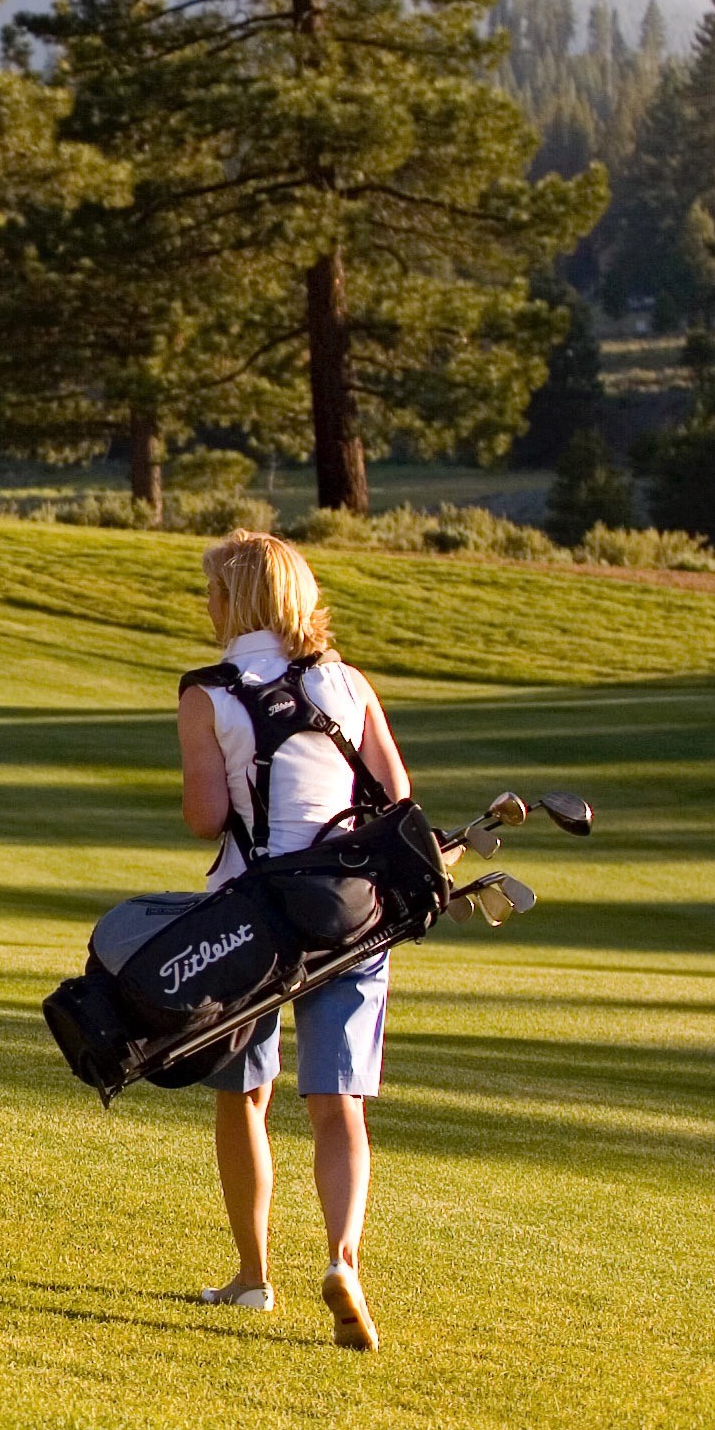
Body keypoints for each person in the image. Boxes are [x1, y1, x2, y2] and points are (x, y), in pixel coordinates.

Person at [176, 530, 409, 1351]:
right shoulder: (348, 682)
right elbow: (396, 794)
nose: (205, 605)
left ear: (234, 601)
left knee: (246, 1096)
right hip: (350, 911)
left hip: (250, 915)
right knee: (337, 1101)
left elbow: (206, 817)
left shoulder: (207, 693)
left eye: (212, 592)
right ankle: (343, 1258)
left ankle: (252, 1276)